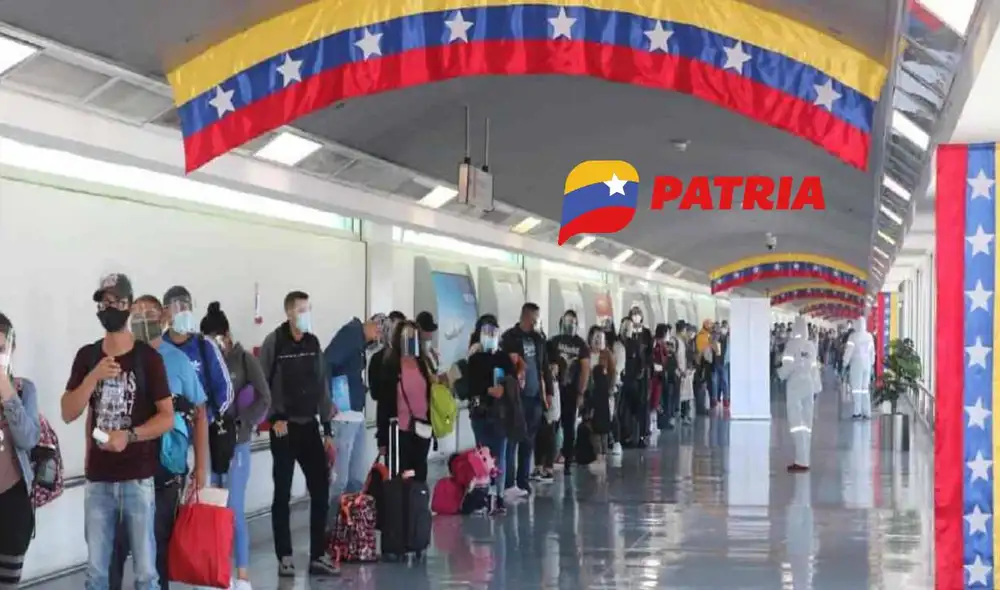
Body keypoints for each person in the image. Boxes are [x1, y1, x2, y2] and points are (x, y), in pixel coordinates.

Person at [61, 273, 174, 590]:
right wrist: (93, 377)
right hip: (98, 480)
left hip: (138, 479)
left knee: (146, 573)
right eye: (104, 302)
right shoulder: (87, 356)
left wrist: (131, 435)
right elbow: (69, 411)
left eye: (116, 301)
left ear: (128, 305)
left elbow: (167, 417)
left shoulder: (147, 359)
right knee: (96, 573)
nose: (109, 308)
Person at [109, 295, 208, 590]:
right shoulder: (116, 358)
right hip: (123, 472)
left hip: (164, 471)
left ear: (162, 319)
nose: (142, 320)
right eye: (136, 314)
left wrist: (202, 467)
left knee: (156, 551)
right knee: (115, 550)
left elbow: (201, 412)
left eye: (149, 314)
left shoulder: (177, 361)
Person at [259, 291, 338, 577]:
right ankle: (285, 556)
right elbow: (261, 384)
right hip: (284, 428)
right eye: (301, 310)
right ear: (289, 313)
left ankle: (318, 554)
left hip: (309, 426)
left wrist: (327, 428)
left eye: (308, 308)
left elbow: (322, 387)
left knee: (321, 489)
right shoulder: (274, 342)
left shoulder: (313, 343)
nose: (306, 314)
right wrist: (273, 418)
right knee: (282, 493)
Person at [200, 302, 273, 590]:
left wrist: (242, 424)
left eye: (216, 339)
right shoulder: (206, 362)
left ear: (227, 335)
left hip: (237, 445)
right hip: (212, 444)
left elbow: (264, 398)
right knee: (214, 512)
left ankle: (242, 576)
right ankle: (218, 573)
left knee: (234, 511)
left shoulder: (244, 360)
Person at [160, 286, 234, 476]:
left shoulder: (205, 345)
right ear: (165, 312)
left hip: (201, 438)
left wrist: (205, 417)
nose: (183, 311)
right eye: (177, 306)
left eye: (187, 306)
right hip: (169, 438)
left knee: (198, 497)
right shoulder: (159, 348)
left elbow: (225, 390)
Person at [323, 313, 385, 525]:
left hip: (357, 416)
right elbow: (326, 362)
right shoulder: (350, 334)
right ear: (373, 325)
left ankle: (347, 529)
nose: (377, 337)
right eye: (378, 331)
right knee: (339, 480)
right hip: (343, 416)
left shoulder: (360, 344)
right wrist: (327, 400)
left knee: (356, 478)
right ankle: (329, 529)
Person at [0, 316, 41, 588]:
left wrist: (7, 392)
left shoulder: (24, 389)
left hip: (12, 504)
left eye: (1, 348)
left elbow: (29, 439)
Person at [500, 303, 553, 497]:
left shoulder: (539, 340)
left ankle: (523, 481)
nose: (536, 323)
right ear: (526, 317)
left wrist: (549, 392)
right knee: (513, 440)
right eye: (534, 319)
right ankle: (509, 482)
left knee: (528, 441)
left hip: (535, 396)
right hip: (517, 398)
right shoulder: (509, 338)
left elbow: (544, 366)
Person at [466, 315, 514, 513]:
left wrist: (505, 388)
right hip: (480, 411)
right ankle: (485, 494)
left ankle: (499, 495)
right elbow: (469, 386)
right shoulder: (474, 358)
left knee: (499, 454)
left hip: (500, 413)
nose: (490, 335)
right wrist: (486, 390)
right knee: (483, 455)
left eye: (493, 331)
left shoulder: (502, 357)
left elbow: (511, 380)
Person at [374, 321, 433, 480]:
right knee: (399, 477)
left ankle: (417, 503)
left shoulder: (423, 363)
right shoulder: (391, 366)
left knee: (419, 476)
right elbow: (384, 403)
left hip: (422, 429)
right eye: (406, 336)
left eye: (413, 336)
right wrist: (382, 439)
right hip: (399, 432)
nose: (410, 340)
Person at [546, 310, 590, 476]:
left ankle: (567, 459)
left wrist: (581, 392)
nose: (570, 325)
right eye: (567, 321)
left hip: (572, 391)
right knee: (552, 425)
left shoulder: (581, 345)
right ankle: (550, 459)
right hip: (556, 390)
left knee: (569, 425)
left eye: (573, 322)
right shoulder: (554, 342)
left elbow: (585, 369)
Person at [778, 317, 818, 472]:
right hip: (808, 385)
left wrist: (779, 374)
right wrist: (816, 387)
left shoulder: (791, 345)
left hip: (795, 386)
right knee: (807, 424)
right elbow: (814, 368)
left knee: (796, 423)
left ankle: (800, 461)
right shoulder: (811, 346)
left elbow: (787, 367)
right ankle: (805, 459)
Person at [843, 317, 875, 420]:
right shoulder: (869, 336)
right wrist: (872, 363)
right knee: (865, 389)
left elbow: (849, 351)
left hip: (856, 365)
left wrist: (845, 363)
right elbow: (872, 352)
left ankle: (857, 412)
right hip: (867, 364)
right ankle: (867, 412)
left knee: (856, 389)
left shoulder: (853, 337)